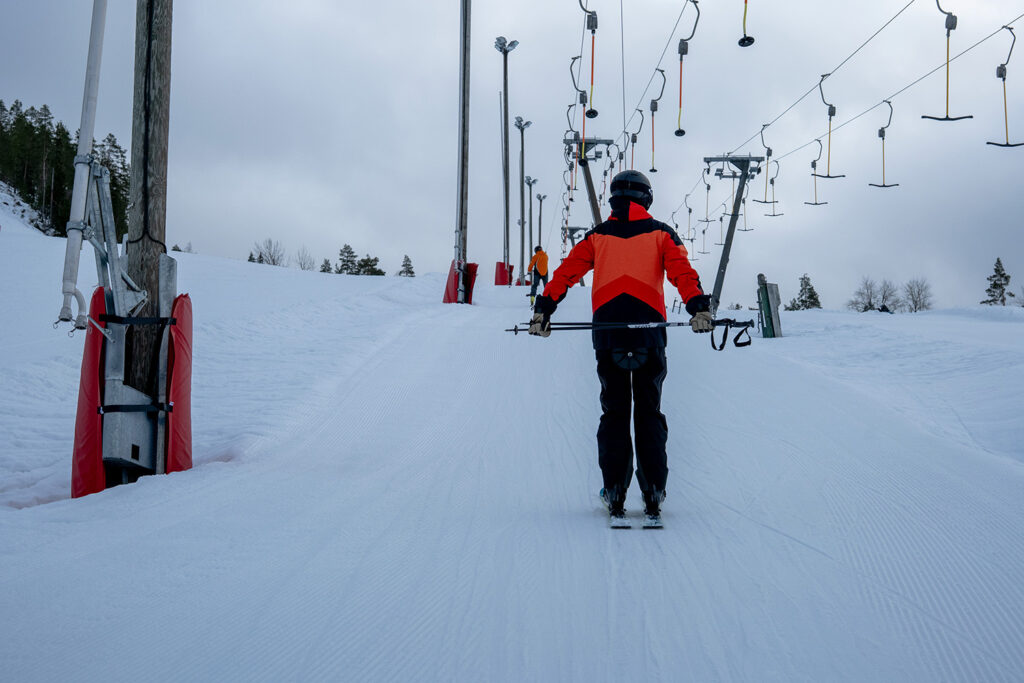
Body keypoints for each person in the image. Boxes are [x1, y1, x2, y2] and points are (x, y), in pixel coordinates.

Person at [528, 170, 712, 523]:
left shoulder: (596, 236)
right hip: (649, 333)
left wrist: (543, 309)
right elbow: (682, 273)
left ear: (613, 198)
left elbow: (566, 273)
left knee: (614, 411)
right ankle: (653, 489)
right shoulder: (662, 234)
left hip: (609, 333)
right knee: (649, 410)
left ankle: (614, 489)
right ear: (647, 198)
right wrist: (698, 307)